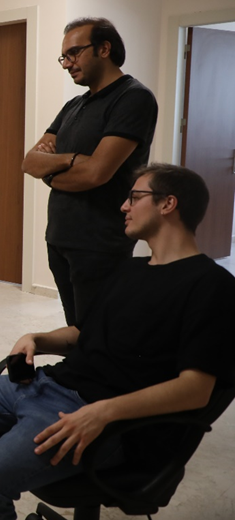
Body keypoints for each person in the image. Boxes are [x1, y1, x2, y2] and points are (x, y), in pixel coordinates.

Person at [0, 164, 235, 520]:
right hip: (47, 384)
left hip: (97, 415)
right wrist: (38, 339)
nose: (124, 206)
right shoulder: (131, 270)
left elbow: (195, 390)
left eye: (134, 197)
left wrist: (102, 412)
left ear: (168, 204)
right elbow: (82, 332)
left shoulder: (211, 285)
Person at [22, 17, 158, 328]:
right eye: (64, 57)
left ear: (104, 49)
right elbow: (30, 162)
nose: (67, 64)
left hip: (100, 241)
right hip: (60, 237)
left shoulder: (133, 98)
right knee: (76, 330)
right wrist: (73, 160)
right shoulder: (73, 105)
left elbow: (97, 173)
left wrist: (53, 167)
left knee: (98, 332)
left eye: (74, 53)